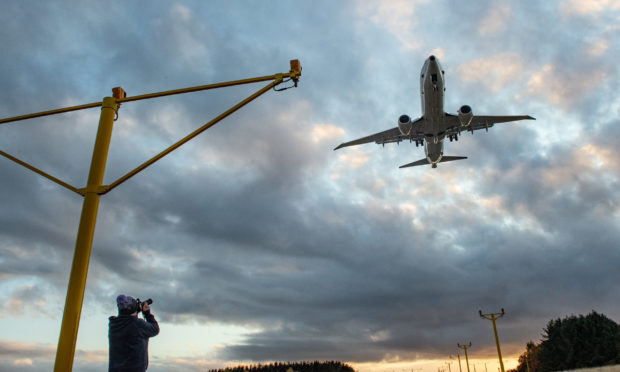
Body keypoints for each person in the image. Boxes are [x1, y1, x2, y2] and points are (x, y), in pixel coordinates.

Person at [108, 294, 160, 371]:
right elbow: (155, 329)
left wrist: (135, 310)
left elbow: (126, 319)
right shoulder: (138, 325)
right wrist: (147, 313)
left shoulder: (113, 324)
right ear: (134, 308)